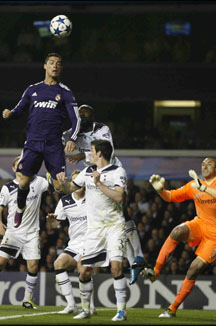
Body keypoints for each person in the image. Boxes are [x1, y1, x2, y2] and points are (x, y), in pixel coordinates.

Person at [62, 103, 146, 285]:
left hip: (112, 170)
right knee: (118, 216)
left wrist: (80, 155)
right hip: (93, 175)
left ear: (92, 117)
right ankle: (135, 260)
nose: (83, 116)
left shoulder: (101, 129)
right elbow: (60, 147)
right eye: (80, 113)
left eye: (86, 114)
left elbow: (109, 150)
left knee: (121, 213)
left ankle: (137, 258)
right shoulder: (69, 133)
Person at [144, 157, 216, 318]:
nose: (205, 166)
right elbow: (170, 197)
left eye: (209, 164)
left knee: (194, 269)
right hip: (200, 224)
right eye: (203, 164)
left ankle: (172, 308)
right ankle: (155, 271)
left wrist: (203, 188)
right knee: (177, 231)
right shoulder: (194, 185)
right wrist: (160, 190)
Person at [1, 53, 81, 229]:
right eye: (51, 63)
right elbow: (19, 109)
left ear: (61, 69)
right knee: (23, 182)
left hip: (54, 146)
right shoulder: (32, 89)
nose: (55, 66)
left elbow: (76, 119)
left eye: (59, 64)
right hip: (33, 143)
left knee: (60, 187)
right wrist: (10, 113)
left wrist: (73, 139)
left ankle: (57, 201)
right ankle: (20, 208)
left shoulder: (65, 92)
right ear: (45, 66)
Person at [57, 139, 128, 321]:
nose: (89, 154)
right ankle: (85, 309)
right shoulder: (88, 171)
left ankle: (121, 311)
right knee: (84, 270)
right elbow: (70, 188)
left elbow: (119, 197)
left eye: (92, 151)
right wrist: (60, 182)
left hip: (114, 226)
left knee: (115, 267)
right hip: (94, 228)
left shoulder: (117, 171)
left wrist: (99, 184)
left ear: (100, 154)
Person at [0, 156, 48, 309]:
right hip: (13, 233)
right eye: (18, 165)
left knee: (33, 266)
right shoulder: (8, 188)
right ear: (14, 169)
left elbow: (55, 184)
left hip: (31, 233)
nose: (21, 167)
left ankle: (27, 299)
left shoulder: (39, 182)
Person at [46, 170, 96, 315]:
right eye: (75, 182)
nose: (78, 185)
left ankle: (89, 307)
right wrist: (51, 222)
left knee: (82, 270)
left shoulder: (93, 198)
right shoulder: (65, 201)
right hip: (74, 244)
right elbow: (56, 224)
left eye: (80, 182)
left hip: (91, 242)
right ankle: (71, 305)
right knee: (58, 264)